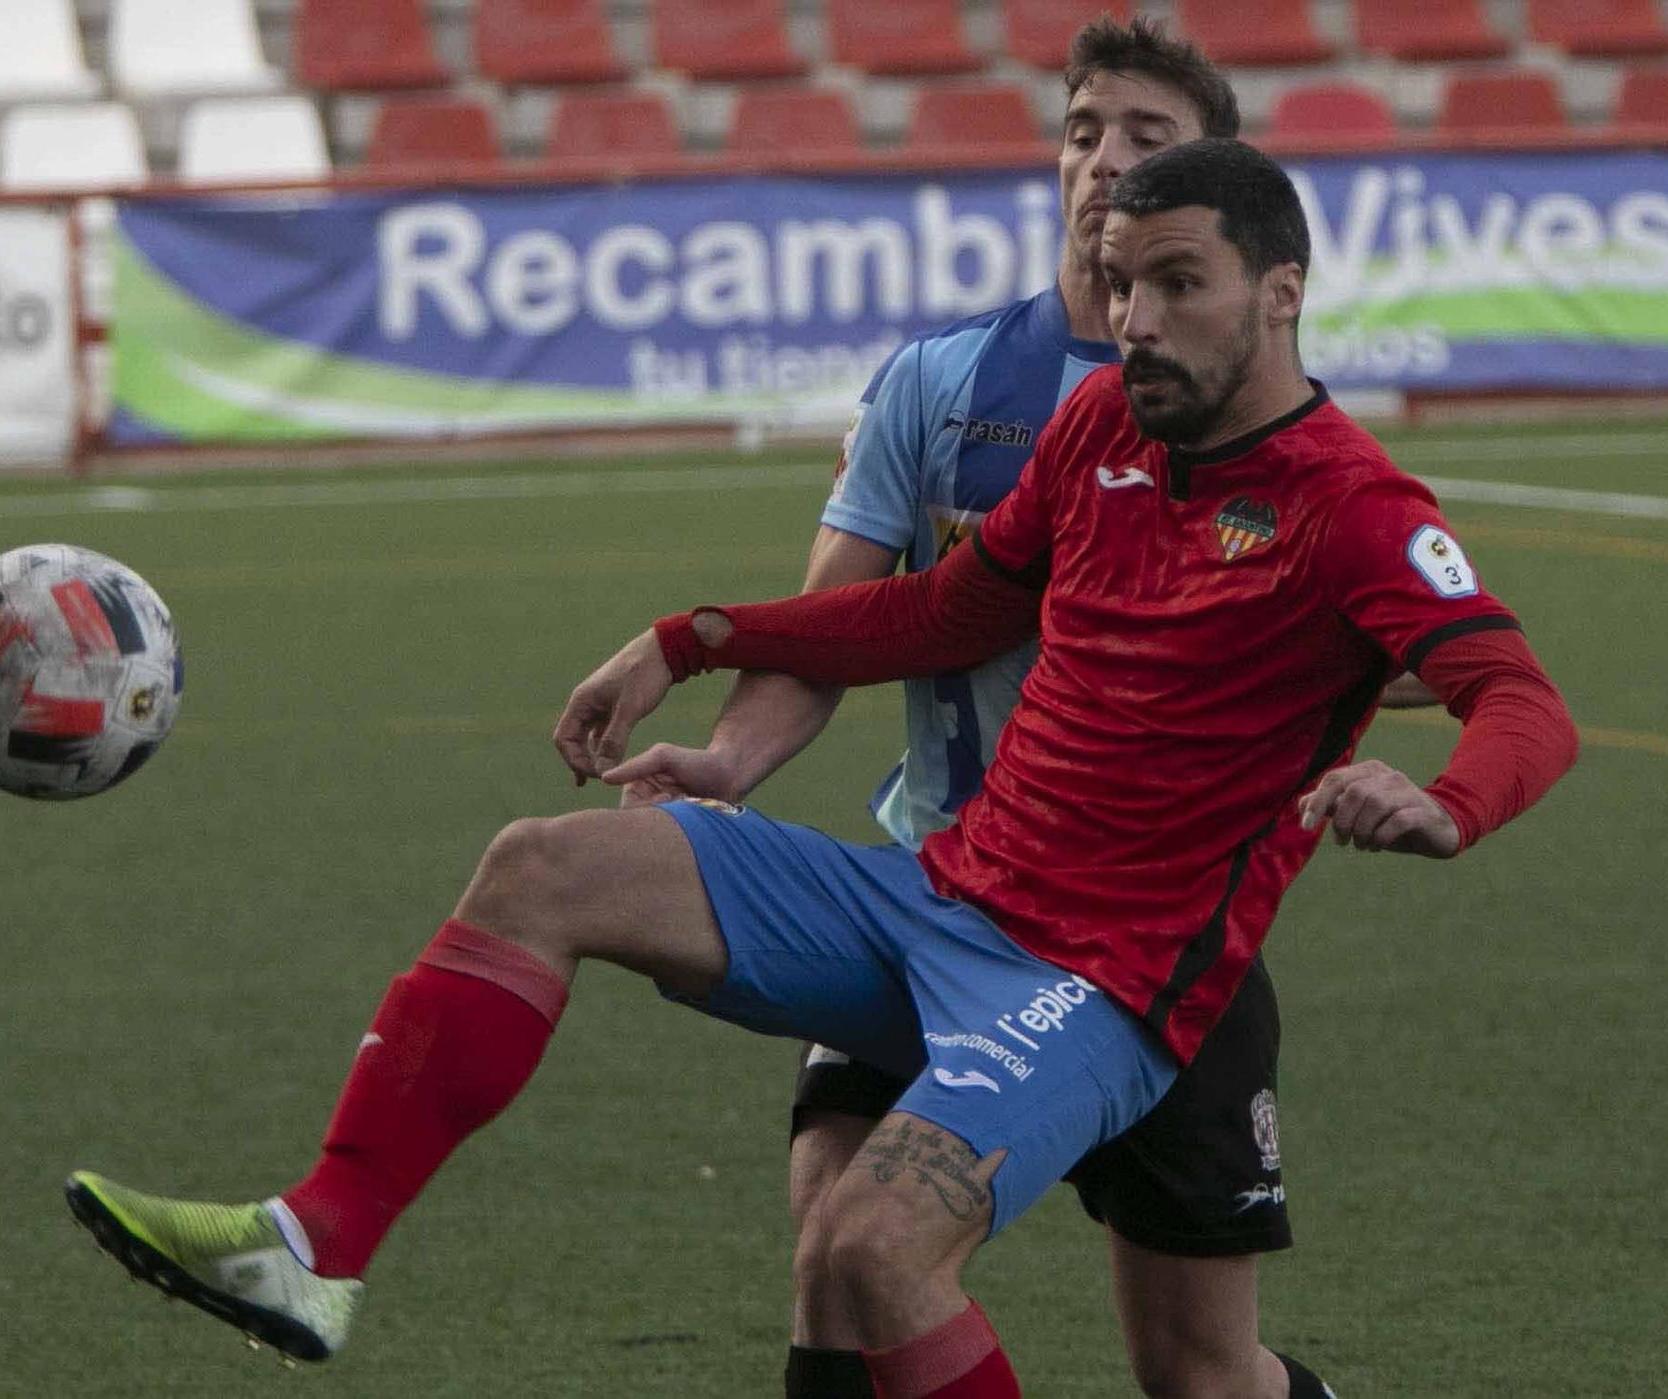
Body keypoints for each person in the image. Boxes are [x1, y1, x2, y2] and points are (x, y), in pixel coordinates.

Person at [64, 139, 1578, 1399]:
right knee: (547, 864)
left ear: (1284, 293)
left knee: (875, 1252)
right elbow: (942, 611)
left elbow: (1518, 699)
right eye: (1124, 285)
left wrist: (1445, 800)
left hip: (1104, 983)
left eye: (1181, 285)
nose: (1139, 321)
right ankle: (317, 1245)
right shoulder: (1098, 428)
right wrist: (696, 635)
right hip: (939, 895)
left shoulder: (1356, 506)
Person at [602, 20, 1382, 1399]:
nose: (1105, 164)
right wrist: (731, 747)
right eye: (1086, 131)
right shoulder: (943, 380)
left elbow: (1378, 626)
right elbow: (861, 617)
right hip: (929, 891)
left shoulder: (1245, 432)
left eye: (1150, 141)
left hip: (1133, 945)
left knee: (1200, 1372)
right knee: (836, 1251)